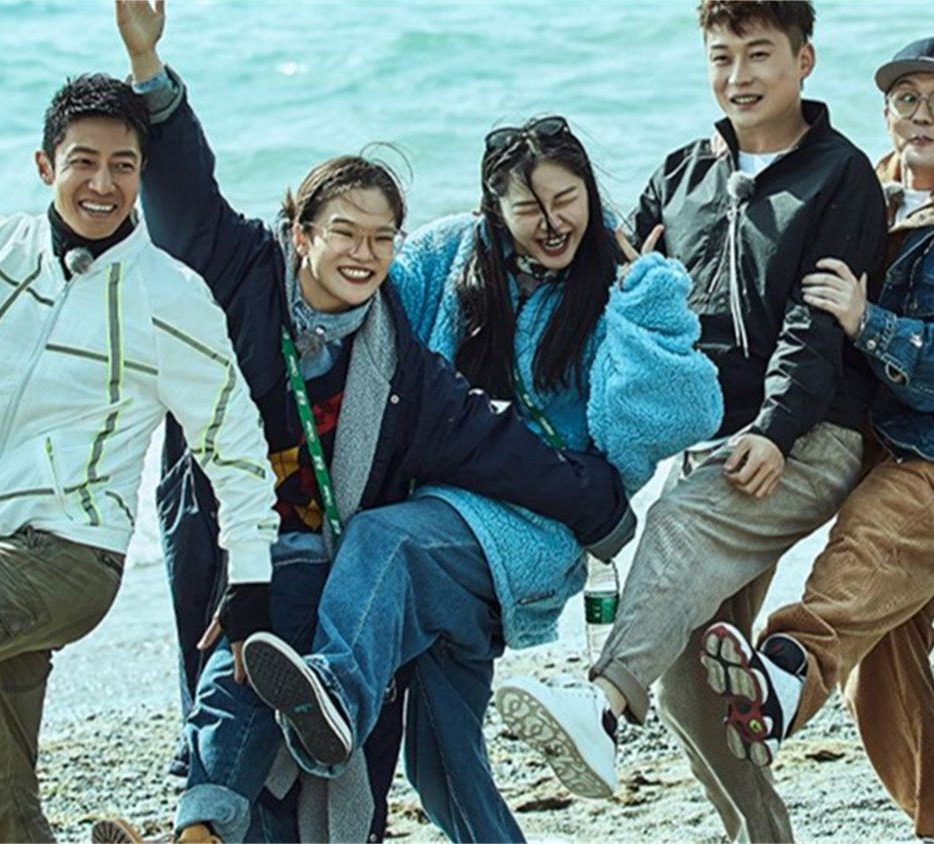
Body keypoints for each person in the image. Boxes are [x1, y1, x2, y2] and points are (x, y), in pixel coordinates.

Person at [93, 2, 634, 842]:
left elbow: (490, 443)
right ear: (300, 233)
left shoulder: (398, 363)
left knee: (285, 684)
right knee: (251, 644)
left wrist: (598, 506)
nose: (363, 254)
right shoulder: (243, 273)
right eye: (344, 231)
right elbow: (184, 192)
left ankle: (198, 831)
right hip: (233, 542)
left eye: (383, 239)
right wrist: (148, 70)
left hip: (341, 570)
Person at [236, 113, 722, 843]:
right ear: (494, 208)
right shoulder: (448, 256)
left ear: (589, 194)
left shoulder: (611, 287)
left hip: (530, 535)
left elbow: (661, 426)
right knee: (443, 766)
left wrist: (646, 298)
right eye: (529, 207)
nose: (552, 223)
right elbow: (364, 307)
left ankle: (334, 693)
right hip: (436, 542)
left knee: (383, 540)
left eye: (567, 200)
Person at [492, 1, 886, 840]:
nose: (739, 76)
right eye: (721, 56)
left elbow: (816, 322)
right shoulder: (682, 175)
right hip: (710, 440)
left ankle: (601, 708)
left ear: (804, 60)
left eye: (759, 54)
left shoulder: (838, 174)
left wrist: (776, 430)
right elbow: (614, 278)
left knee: (676, 522)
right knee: (689, 678)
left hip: (809, 434)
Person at [697, 36, 934, 844]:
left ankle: (786, 668)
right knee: (886, 663)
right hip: (889, 445)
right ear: (886, 113)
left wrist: (868, 322)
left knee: (871, 536)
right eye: (906, 99)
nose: (922, 115)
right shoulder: (867, 193)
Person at [0, 71, 278, 843]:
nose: (103, 184)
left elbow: (232, 438)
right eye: (83, 161)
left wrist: (250, 577)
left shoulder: (169, 295)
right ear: (45, 165)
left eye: (123, 165)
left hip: (71, 559)